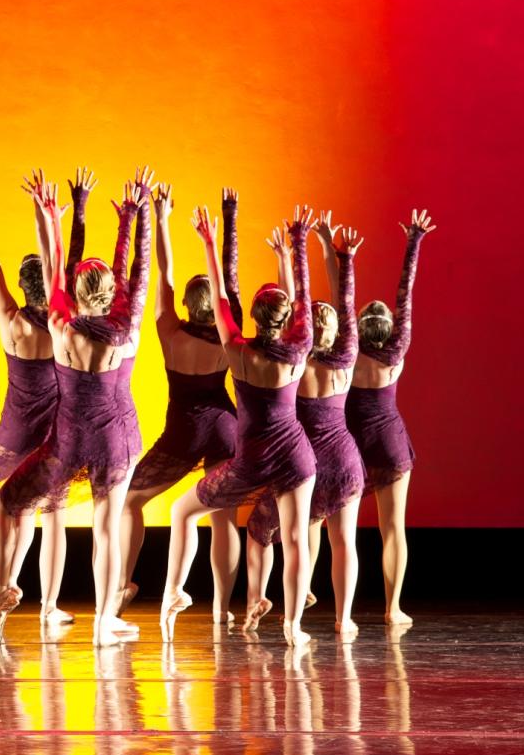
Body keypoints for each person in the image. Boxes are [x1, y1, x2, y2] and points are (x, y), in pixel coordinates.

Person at [0, 170, 152, 647]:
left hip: (71, 440)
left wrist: (49, 214)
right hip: (119, 440)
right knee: (106, 528)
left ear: (76, 295)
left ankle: (3, 585)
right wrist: (135, 218)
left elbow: (55, 263)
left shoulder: (60, 324)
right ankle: (105, 621)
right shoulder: (128, 328)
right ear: (113, 296)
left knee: (7, 503)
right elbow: (137, 273)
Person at [160, 203, 316, 648]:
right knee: (295, 536)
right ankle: (293, 627)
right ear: (286, 322)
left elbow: (224, 299)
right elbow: (301, 301)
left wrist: (210, 243)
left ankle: (174, 591)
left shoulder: (238, 350)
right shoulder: (298, 347)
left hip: (252, 459)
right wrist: (292, 252)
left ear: (254, 316)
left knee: (181, 512)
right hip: (296, 458)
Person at [0, 169, 97, 625]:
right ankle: (49, 606)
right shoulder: (65, 322)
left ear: (22, 288)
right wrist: (74, 210)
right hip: (54, 434)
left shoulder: (12, 322)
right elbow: (67, 260)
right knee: (50, 514)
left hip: (14, 432)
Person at [118, 184, 241, 624]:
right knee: (222, 517)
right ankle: (223, 608)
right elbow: (230, 276)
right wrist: (229, 218)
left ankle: (122, 583)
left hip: (183, 432)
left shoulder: (170, 332)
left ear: (187, 304)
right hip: (225, 426)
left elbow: (163, 277)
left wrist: (161, 217)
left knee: (130, 499)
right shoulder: (231, 336)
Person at [246, 220, 366, 636]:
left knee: (291, 530)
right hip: (345, 459)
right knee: (343, 540)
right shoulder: (347, 358)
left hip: (305, 461)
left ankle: (286, 599)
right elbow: (344, 302)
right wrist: (337, 254)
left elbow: (295, 302)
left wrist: (289, 254)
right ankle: (343, 618)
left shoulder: (294, 358)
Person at [347, 209, 436, 625]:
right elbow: (407, 294)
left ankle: (329, 602)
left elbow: (343, 298)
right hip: (389, 442)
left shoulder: (348, 352)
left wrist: (342, 257)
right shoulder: (395, 351)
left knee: (339, 531)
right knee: (392, 528)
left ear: (359, 328)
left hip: (349, 443)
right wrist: (413, 241)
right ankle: (392, 607)